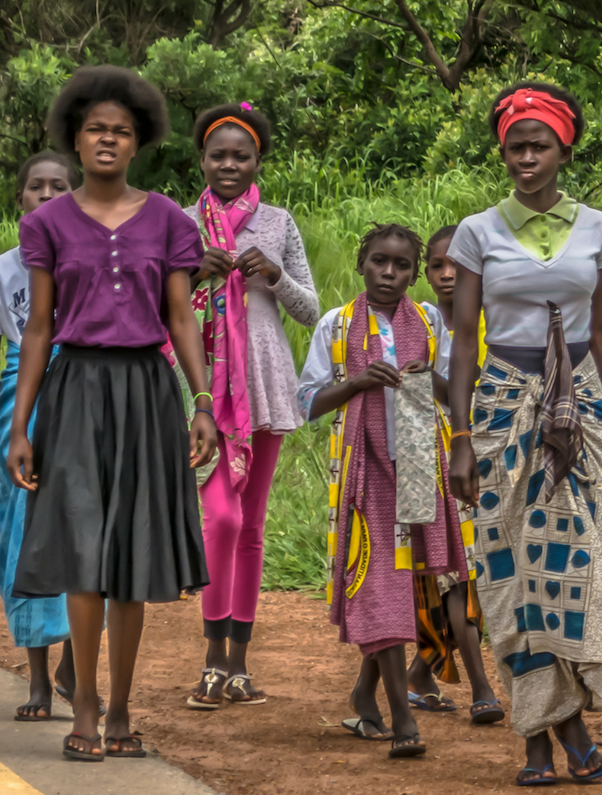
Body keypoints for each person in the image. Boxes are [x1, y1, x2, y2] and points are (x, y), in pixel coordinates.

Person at [6, 65, 217, 762]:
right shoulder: (46, 223)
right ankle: (86, 706)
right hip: (74, 392)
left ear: (138, 141)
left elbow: (181, 317)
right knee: (83, 552)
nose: (107, 139)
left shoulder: (170, 221)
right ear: (75, 137)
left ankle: (122, 708)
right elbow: (39, 327)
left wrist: (203, 401)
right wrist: (20, 426)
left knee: (132, 552)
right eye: (96, 129)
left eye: (121, 131)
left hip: (148, 393)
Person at [443, 81, 602, 786]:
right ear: (503, 153)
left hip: (581, 407)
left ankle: (560, 726)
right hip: (501, 406)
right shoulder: (477, 232)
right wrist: (461, 436)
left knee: (589, 568)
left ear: (564, 151)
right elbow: (465, 340)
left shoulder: (600, 229)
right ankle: (546, 737)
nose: (526, 158)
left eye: (539, 146)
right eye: (516, 147)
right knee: (511, 573)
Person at [297, 224, 461, 759]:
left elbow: (455, 392)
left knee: (399, 586)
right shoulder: (337, 325)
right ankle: (403, 718)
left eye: (402, 265)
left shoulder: (430, 322)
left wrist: (429, 375)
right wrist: (356, 383)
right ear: (361, 264)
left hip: (418, 468)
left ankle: (365, 695)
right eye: (379, 262)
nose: (389, 273)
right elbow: (307, 401)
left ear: (415, 274)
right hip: (363, 472)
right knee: (381, 587)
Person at [182, 101, 320, 711]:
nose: (229, 165)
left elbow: (310, 310)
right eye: (218, 155)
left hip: (264, 384)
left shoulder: (278, 223)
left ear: (257, 161)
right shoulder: (181, 224)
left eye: (241, 156)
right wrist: (192, 274)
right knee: (223, 518)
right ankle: (212, 656)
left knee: (253, 524)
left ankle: (237, 664)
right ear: (202, 160)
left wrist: (274, 275)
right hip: (202, 388)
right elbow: (157, 304)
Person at [0, 151, 78, 722]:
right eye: (37, 186)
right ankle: (37, 678)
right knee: (24, 536)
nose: (48, 194)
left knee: (87, 528)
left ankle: (74, 664)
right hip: (22, 411)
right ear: (20, 199)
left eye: (60, 186)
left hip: (82, 395)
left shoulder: (89, 261)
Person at [403, 222, 503, 727]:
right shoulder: (415, 319)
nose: (447, 275)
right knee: (454, 571)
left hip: (490, 453)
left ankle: (418, 674)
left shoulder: (493, 320)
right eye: (437, 266)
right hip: (430, 457)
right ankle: (480, 685)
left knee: (472, 570)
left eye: (458, 267)